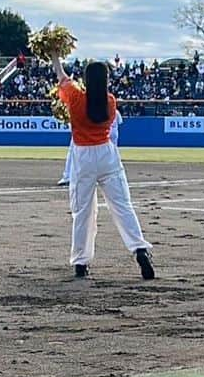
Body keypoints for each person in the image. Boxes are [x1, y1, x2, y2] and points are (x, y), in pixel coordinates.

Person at [50, 54, 154, 280]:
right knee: (123, 205)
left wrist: (55, 57)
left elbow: (62, 78)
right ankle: (140, 250)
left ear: (86, 79)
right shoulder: (110, 101)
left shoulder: (76, 98)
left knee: (83, 211)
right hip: (107, 154)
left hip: (83, 156)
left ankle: (81, 262)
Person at [59, 109, 120, 186]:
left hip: (98, 132)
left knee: (76, 152)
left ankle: (68, 176)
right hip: (103, 132)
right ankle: (69, 176)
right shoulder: (113, 110)